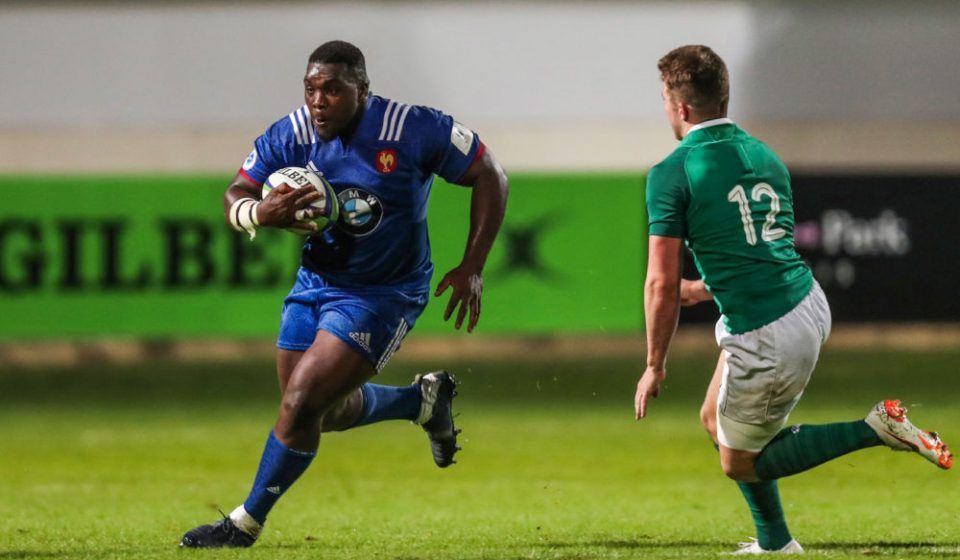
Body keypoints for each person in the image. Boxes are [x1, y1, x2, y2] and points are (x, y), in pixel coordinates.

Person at [181, 40, 508, 548]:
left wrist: (473, 266)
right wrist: (255, 214)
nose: (318, 100)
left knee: (302, 400)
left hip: (384, 292)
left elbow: (491, 175)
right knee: (322, 413)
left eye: (332, 89)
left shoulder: (412, 129)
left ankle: (243, 524)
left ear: (362, 89)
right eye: (311, 88)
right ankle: (422, 402)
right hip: (315, 285)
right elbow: (236, 192)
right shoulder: (291, 134)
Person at [635, 44, 952, 555]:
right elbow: (760, 251)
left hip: (767, 329)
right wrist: (705, 288)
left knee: (738, 460)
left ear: (680, 108)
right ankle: (776, 542)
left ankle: (877, 428)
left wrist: (654, 364)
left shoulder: (671, 172)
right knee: (715, 418)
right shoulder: (766, 157)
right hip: (805, 302)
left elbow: (658, 284)